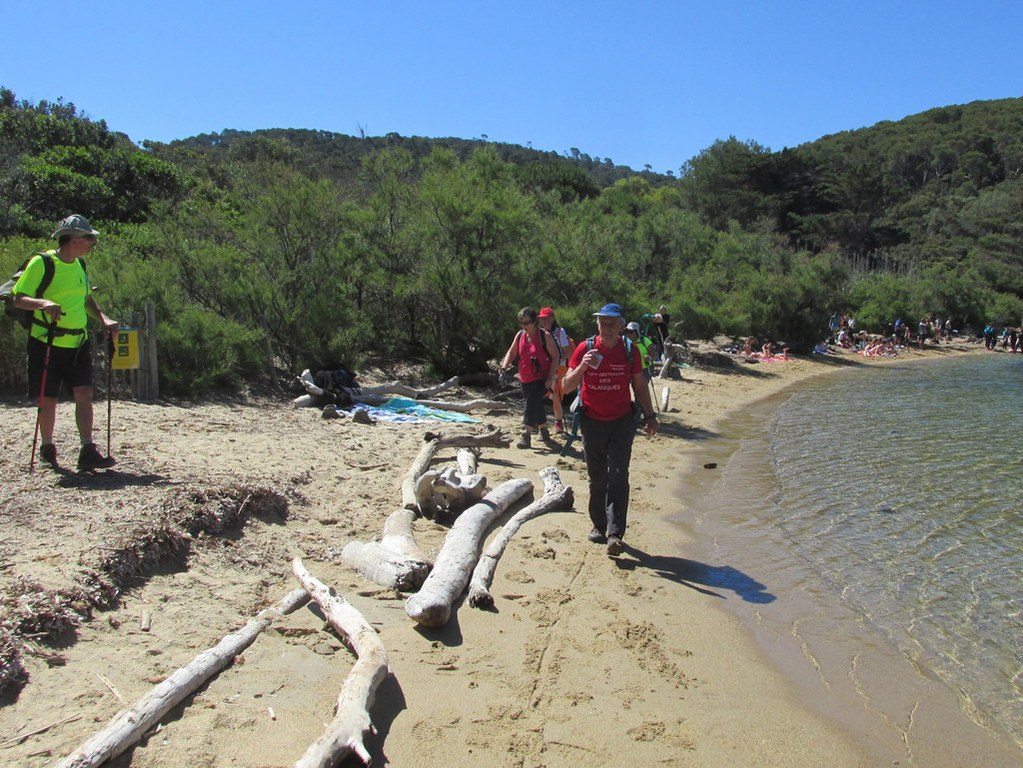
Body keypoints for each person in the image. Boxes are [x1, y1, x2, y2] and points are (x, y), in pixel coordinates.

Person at [11, 214, 119, 470]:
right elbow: (18, 298)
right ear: (72, 240)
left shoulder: (80, 266)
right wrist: (44, 304)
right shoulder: (42, 263)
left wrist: (103, 319)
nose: (91, 243)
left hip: (77, 342)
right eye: (87, 238)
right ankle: (47, 447)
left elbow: (85, 300)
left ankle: (87, 448)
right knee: (47, 398)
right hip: (46, 341)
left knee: (85, 393)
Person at [562, 303, 657, 556]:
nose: (607, 327)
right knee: (597, 478)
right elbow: (565, 386)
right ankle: (598, 525)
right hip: (592, 423)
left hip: (622, 422)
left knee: (618, 475)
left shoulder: (630, 351)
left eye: (612, 323)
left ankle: (615, 534)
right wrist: (582, 366)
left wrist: (650, 416)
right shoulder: (585, 348)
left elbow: (639, 385)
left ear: (622, 326)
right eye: (603, 322)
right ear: (597, 325)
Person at [500, 307, 558, 449]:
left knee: (531, 402)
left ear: (534, 322)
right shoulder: (520, 336)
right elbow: (512, 352)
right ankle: (544, 430)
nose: (524, 326)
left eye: (526, 323)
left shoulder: (545, 336)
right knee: (534, 404)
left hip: (542, 378)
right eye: (521, 323)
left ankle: (526, 434)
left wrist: (551, 377)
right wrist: (503, 367)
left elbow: (556, 356)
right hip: (525, 377)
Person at [537, 307, 572, 433]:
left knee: (555, 395)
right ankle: (539, 422)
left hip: (558, 368)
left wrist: (556, 360)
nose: (544, 321)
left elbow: (567, 350)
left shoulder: (559, 332)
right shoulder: (539, 332)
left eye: (546, 318)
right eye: (542, 319)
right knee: (538, 393)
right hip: (542, 368)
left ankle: (558, 422)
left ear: (552, 318)